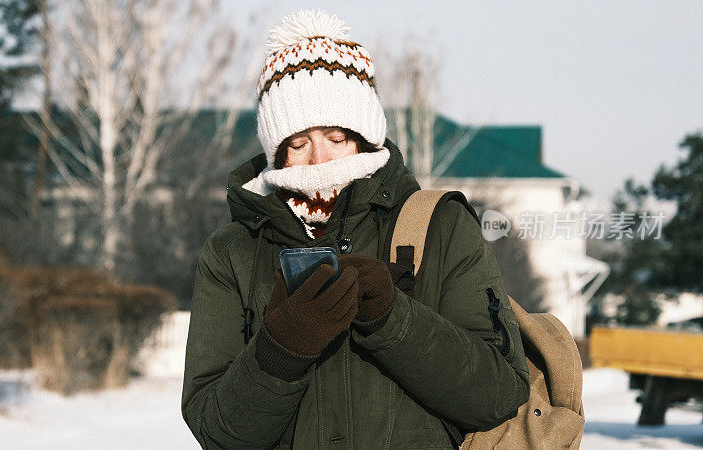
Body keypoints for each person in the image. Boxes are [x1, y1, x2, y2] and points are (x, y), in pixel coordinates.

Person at [181, 10, 529, 449]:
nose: (319, 159)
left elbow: (500, 396)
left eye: (336, 137)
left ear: (364, 137)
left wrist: (392, 319)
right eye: (298, 142)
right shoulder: (233, 251)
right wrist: (282, 348)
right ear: (277, 152)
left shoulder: (438, 226)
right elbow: (217, 433)